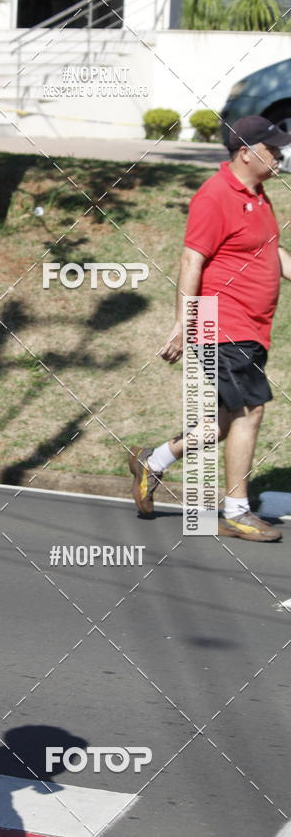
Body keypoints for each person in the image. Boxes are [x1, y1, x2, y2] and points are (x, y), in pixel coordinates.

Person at [129, 115, 291, 542]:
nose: (280, 156)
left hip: (253, 328)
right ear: (246, 152)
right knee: (249, 411)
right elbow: (191, 261)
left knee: (224, 422)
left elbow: (272, 255)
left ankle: (153, 461)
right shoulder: (214, 196)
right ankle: (237, 511)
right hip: (220, 323)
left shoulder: (257, 195)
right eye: (273, 149)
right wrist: (183, 323)